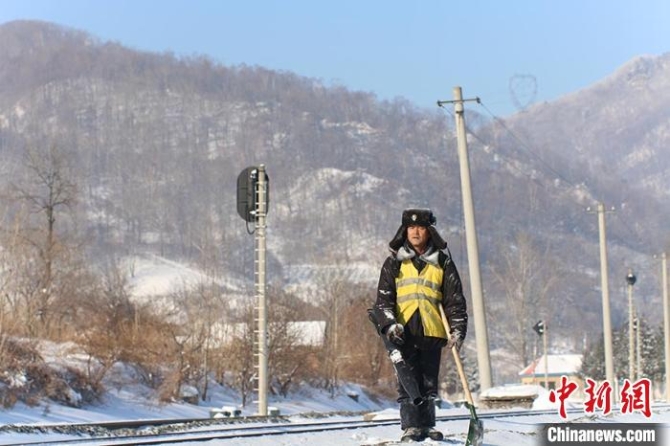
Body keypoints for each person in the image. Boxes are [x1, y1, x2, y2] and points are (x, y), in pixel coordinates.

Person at [371, 208, 468, 442]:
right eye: (411, 228)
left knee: (428, 381)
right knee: (407, 380)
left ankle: (426, 425)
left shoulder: (443, 263)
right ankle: (411, 426)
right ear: (405, 231)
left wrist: (457, 329)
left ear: (429, 231)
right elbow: (384, 301)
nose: (415, 232)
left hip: (432, 329)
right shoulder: (393, 263)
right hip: (402, 332)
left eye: (421, 228)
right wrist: (390, 324)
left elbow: (455, 301)